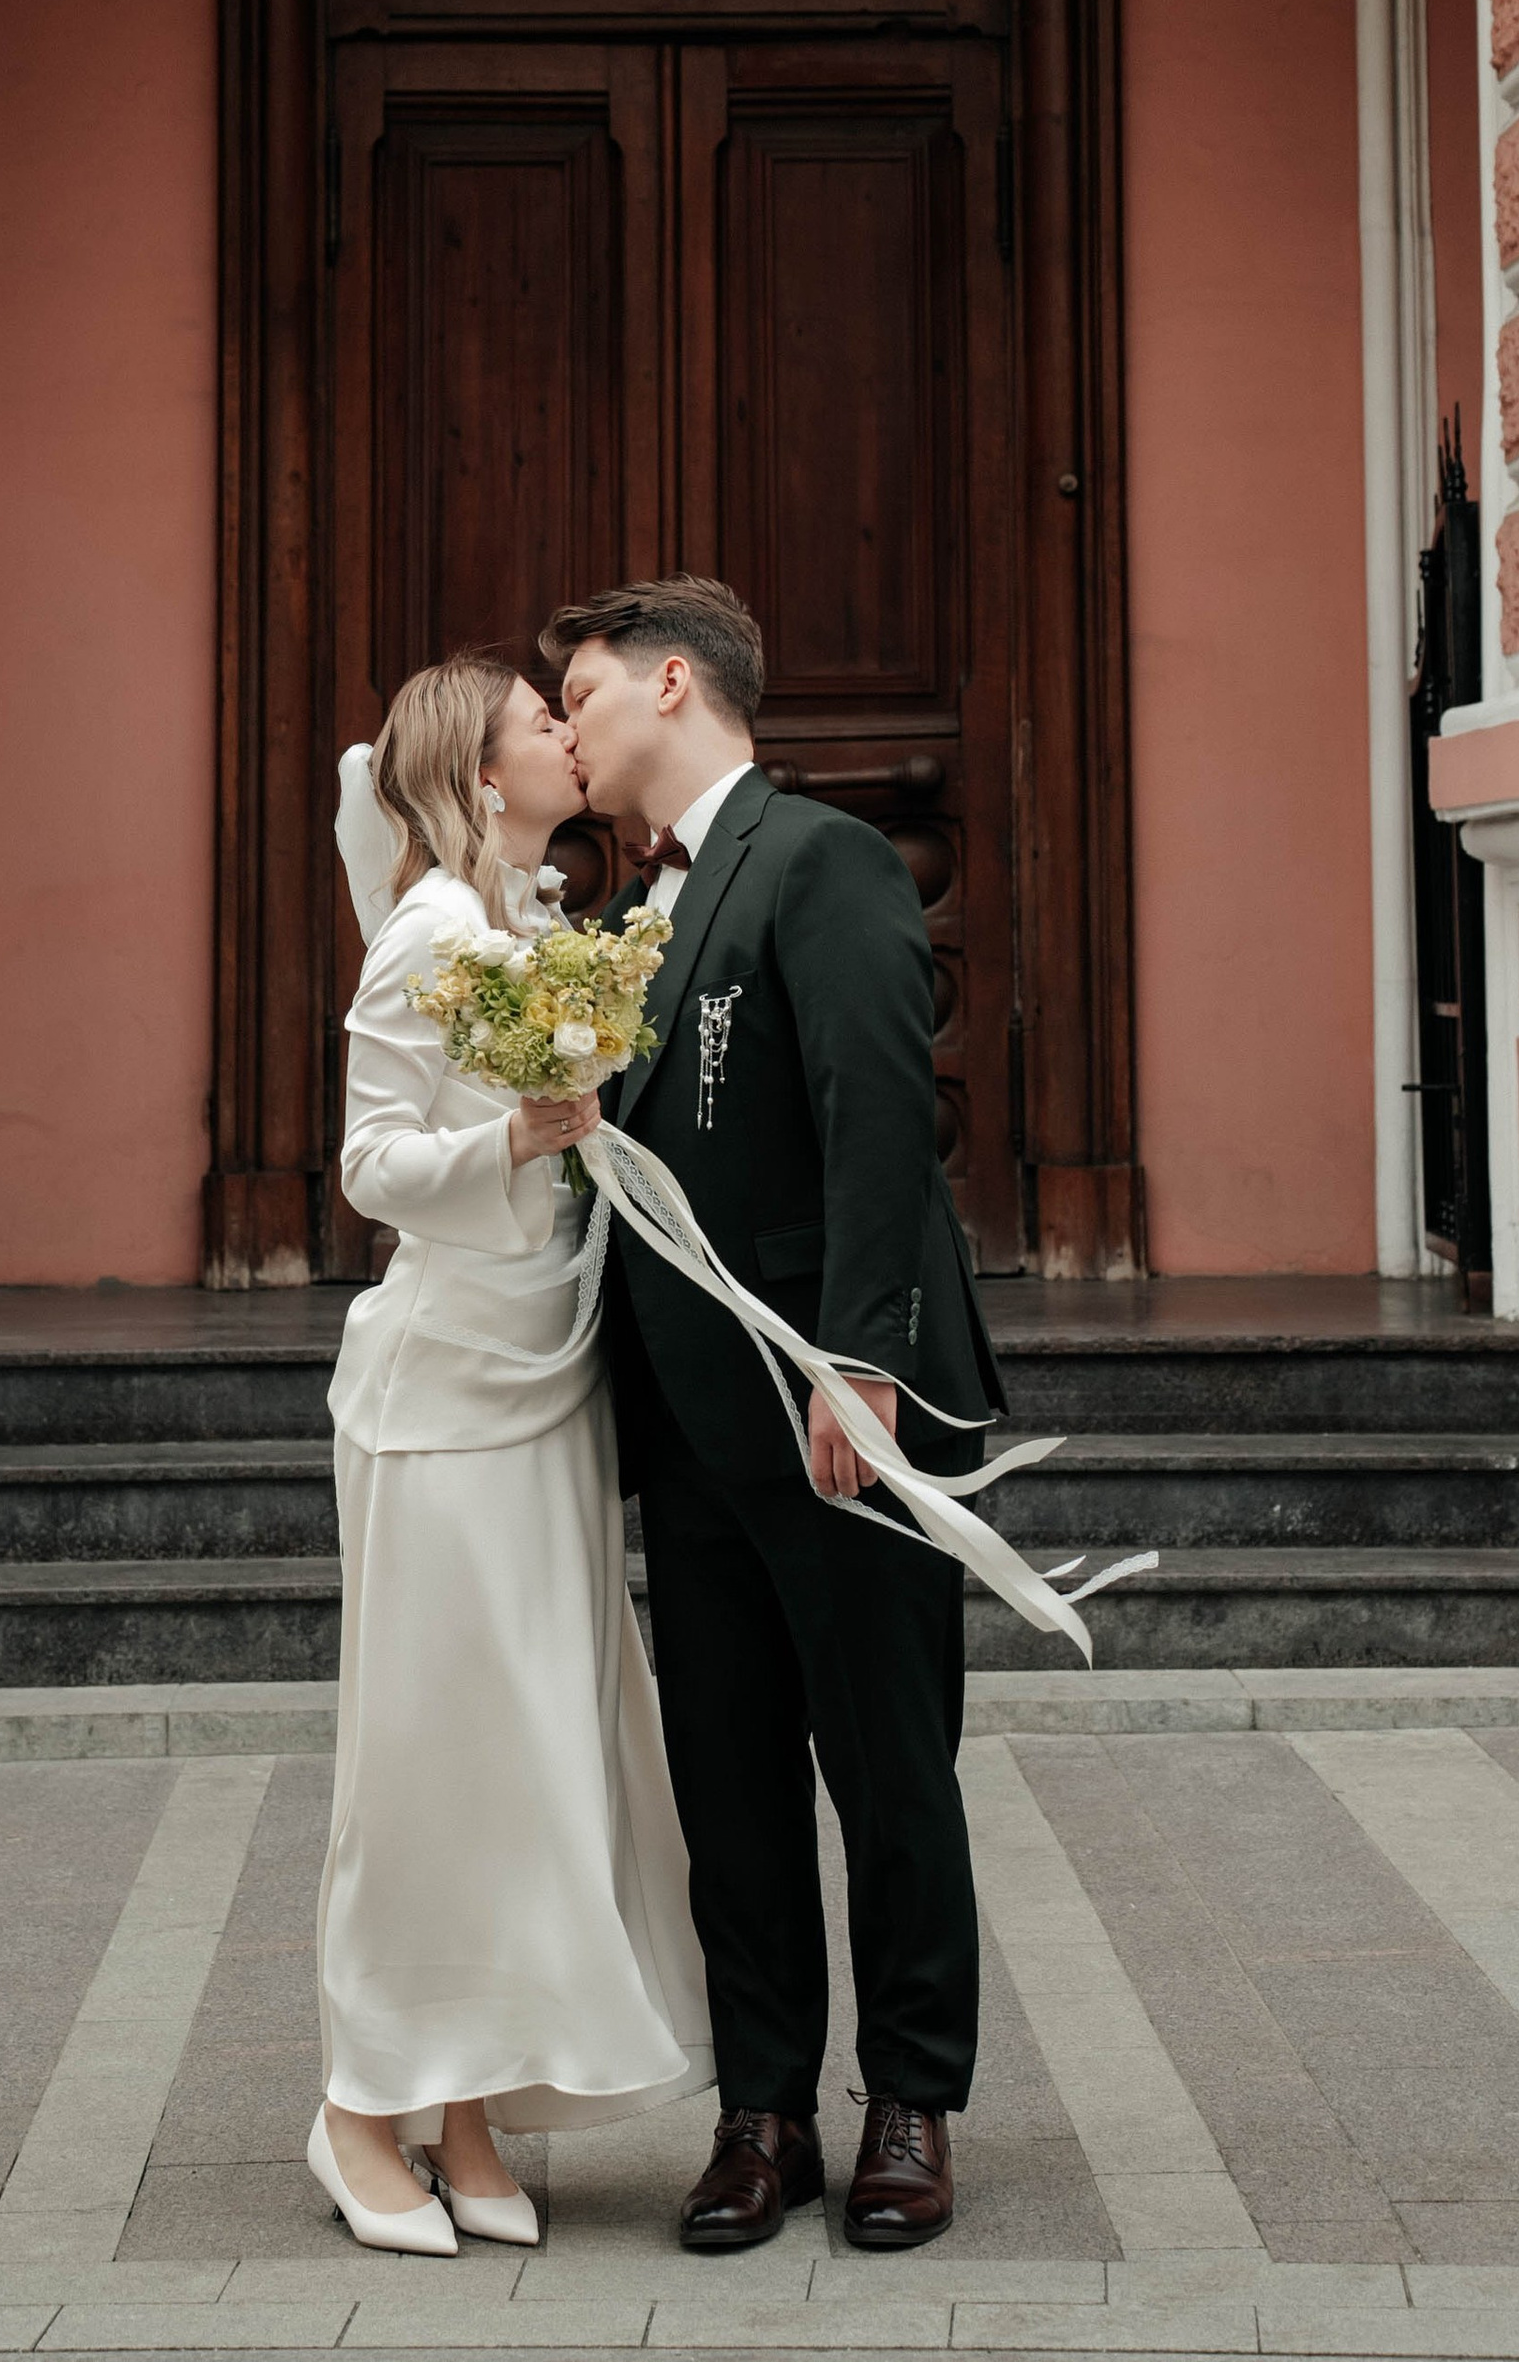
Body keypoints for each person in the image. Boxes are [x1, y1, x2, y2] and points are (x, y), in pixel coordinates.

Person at [544, 575, 1004, 2258]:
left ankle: (912, 2101)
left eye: (582, 691)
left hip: (837, 1406)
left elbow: (879, 1110)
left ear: (676, 681)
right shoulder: (626, 914)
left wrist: (862, 1362)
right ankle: (761, 2114)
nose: (567, 726)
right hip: (688, 1423)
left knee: (888, 1762)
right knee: (727, 1773)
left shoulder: (819, 861)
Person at [312, 651, 711, 2258]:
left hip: (547, 1388)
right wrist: (519, 1136)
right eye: (540, 722)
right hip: (447, 1402)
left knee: (526, 1757)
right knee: (430, 1762)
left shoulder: (533, 924)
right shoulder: (433, 930)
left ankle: (469, 2111)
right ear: (482, 776)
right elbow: (370, 1163)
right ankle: (358, 2107)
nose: (567, 729)